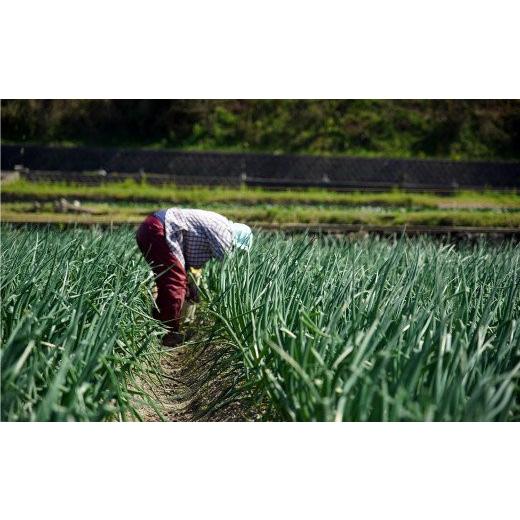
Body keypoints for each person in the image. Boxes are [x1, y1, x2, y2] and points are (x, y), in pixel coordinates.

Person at [136, 207, 252, 347]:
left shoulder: (218, 225)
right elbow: (228, 266)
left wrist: (191, 286)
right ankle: (169, 333)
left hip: (152, 227)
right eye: (236, 248)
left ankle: (158, 321)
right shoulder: (226, 233)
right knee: (175, 282)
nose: (234, 250)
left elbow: (186, 262)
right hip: (159, 229)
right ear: (236, 238)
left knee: (168, 280)